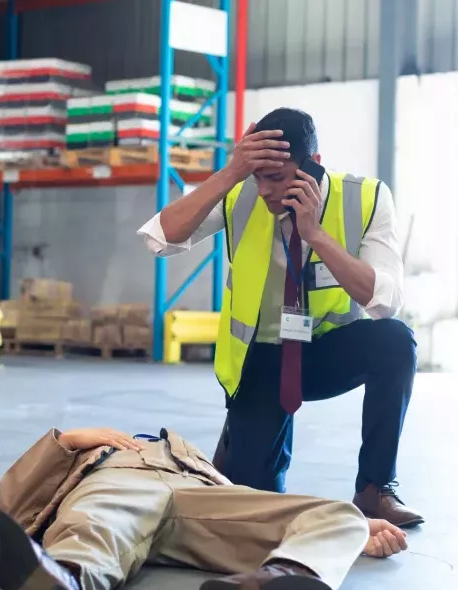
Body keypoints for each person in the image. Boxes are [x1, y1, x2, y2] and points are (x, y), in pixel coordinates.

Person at [135, 107, 423, 528]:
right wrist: (232, 172)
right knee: (253, 510)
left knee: (397, 342)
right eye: (260, 177)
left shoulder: (367, 199)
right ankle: (240, 438)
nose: (266, 190)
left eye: (279, 178)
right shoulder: (239, 194)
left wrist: (316, 236)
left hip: (326, 354)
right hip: (261, 364)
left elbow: (384, 302)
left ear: (314, 167)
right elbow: (159, 239)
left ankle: (375, 490)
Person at [0, 426, 408, 590]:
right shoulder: (95, 455)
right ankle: (60, 587)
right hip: (117, 483)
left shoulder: (188, 455)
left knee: (338, 512)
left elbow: (253, 508)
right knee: (94, 525)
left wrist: (351, 533)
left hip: (199, 494)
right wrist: (67, 440)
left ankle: (284, 576)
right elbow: (6, 505)